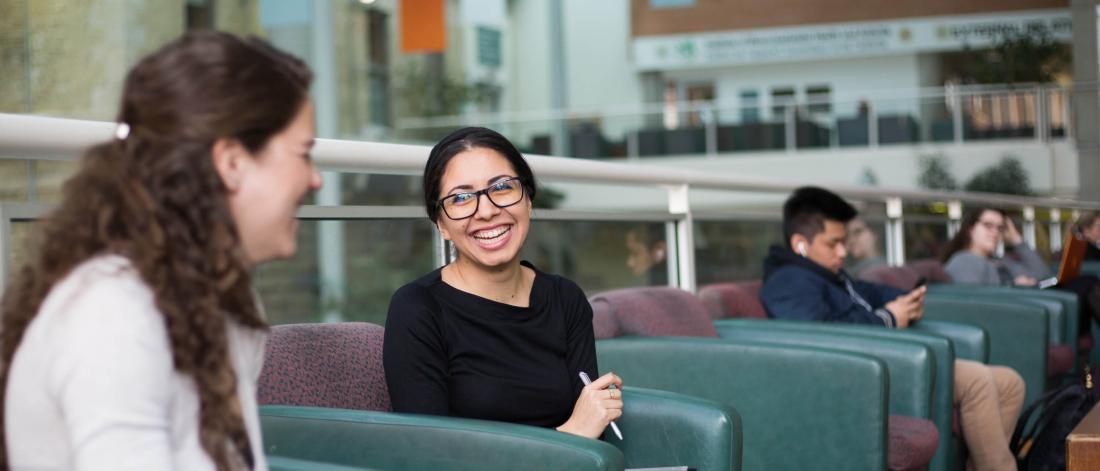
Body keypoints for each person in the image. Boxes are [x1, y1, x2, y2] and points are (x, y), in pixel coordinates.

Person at [1, 32, 320, 470]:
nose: (315, 179)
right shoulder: (112, 314)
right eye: (304, 154)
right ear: (231, 163)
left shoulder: (225, 301)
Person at [760, 187, 1024, 471]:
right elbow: (820, 339)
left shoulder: (827, 274)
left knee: (1010, 383)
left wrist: (906, 300)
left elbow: (869, 292)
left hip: (887, 360)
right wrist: (888, 318)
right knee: (977, 381)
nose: (843, 252)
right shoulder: (789, 282)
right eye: (833, 243)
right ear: (800, 244)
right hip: (861, 375)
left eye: (844, 242)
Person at [383, 127, 622, 439]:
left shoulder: (565, 299)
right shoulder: (418, 309)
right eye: (461, 198)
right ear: (441, 223)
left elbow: (595, 433)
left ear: (528, 200)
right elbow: (430, 450)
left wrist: (596, 413)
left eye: (502, 187)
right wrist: (571, 434)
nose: (487, 211)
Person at [943, 207, 1100, 344]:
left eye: (1000, 227)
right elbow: (973, 304)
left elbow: (1042, 274)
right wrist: (1013, 287)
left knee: (1087, 282)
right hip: (1021, 317)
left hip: (1039, 307)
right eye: (988, 225)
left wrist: (1016, 239)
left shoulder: (1002, 260)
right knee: (1089, 283)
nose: (995, 232)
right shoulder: (965, 260)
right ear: (970, 228)